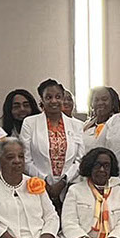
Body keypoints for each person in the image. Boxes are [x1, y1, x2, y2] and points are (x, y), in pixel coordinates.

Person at [20, 79, 85, 207]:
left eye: (58, 97)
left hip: (69, 186)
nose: (54, 101)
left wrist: (63, 181)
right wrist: (45, 182)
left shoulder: (76, 125)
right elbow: (26, 159)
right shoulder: (30, 123)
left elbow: (80, 159)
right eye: (49, 97)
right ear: (42, 100)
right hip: (38, 186)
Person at [82, 86, 120, 150]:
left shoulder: (118, 125)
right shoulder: (86, 126)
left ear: (113, 103)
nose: (100, 103)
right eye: (96, 100)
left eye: (104, 99)